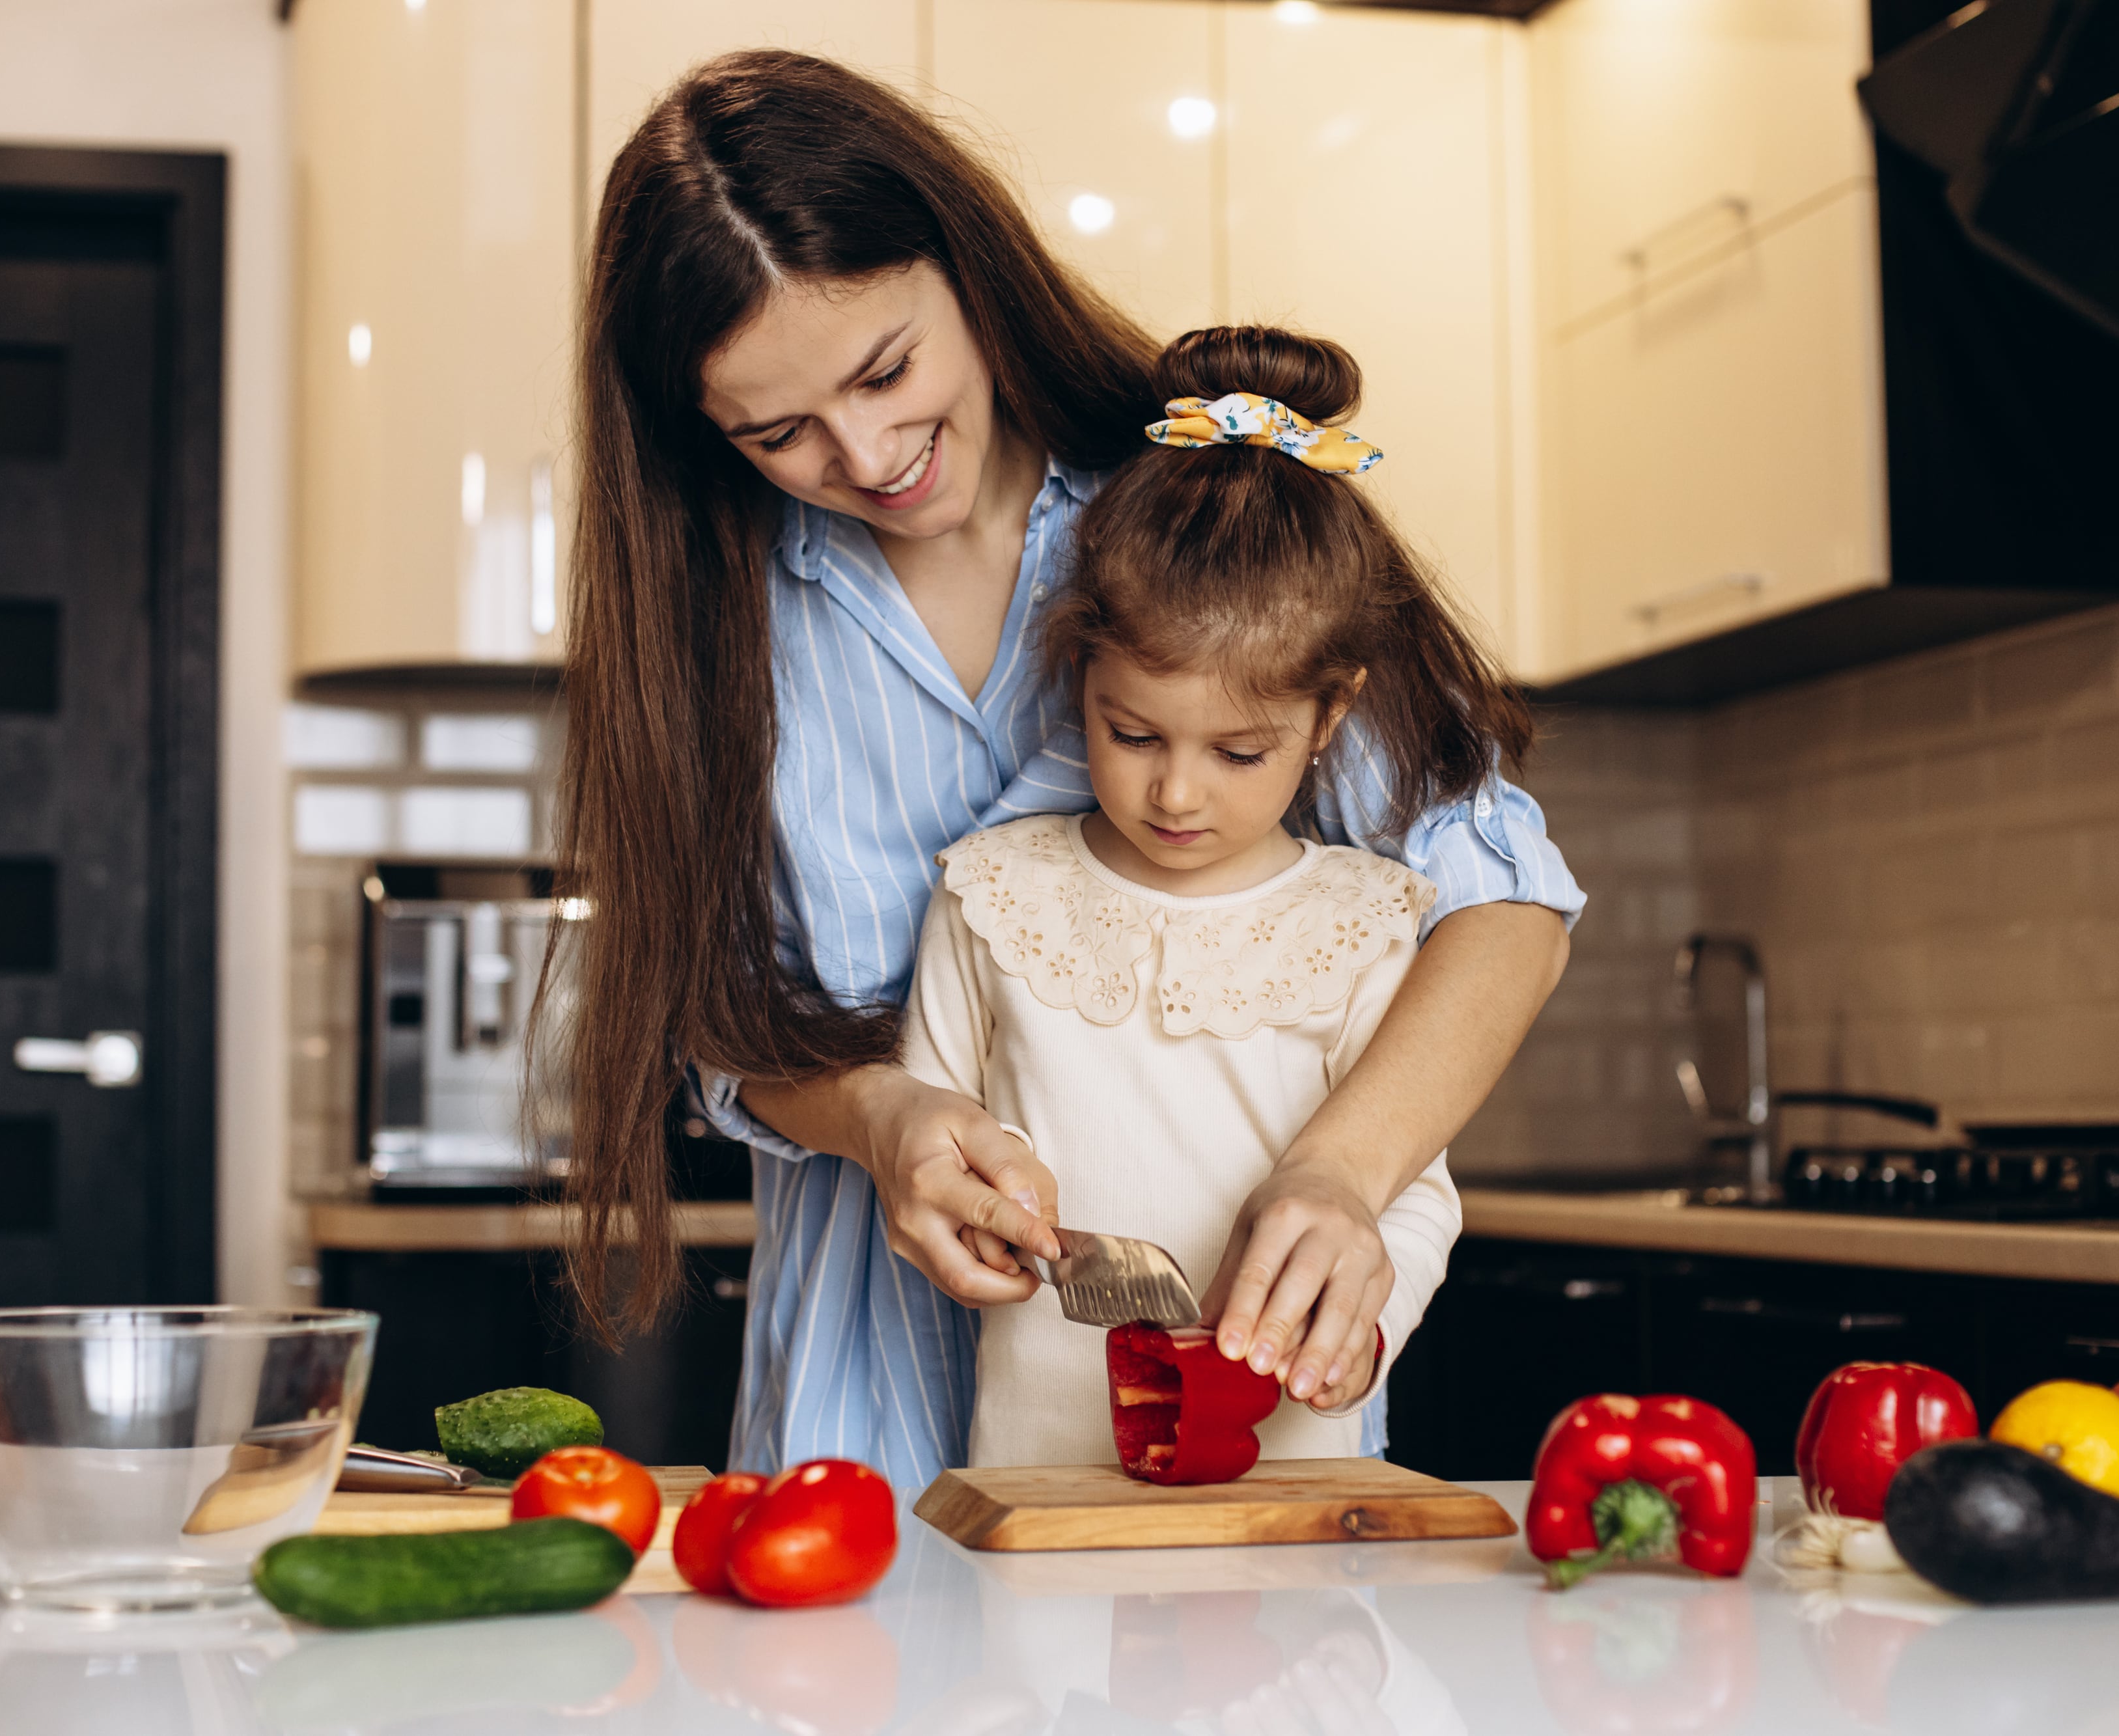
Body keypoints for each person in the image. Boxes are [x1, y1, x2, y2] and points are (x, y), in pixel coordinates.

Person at [551, 49, 1584, 1492]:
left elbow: (1506, 902)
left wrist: (1343, 1174)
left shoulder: (1207, 520)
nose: (866, 453)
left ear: (969, 270)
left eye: (886, 367)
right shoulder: (711, 619)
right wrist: (881, 1113)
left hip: (1226, 1431)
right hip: (853, 1416)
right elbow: (718, 1015)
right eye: (778, 431)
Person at [907, 327, 1476, 1467]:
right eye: (1131, 734)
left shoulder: (1368, 926)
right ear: (1081, 681)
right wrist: (968, 1216)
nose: (1174, 791)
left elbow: (1418, 1201)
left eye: (1239, 753)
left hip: (1292, 1479)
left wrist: (1361, 1330)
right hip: (1038, 1476)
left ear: (1330, 718)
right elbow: (934, 1139)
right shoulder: (992, 896)